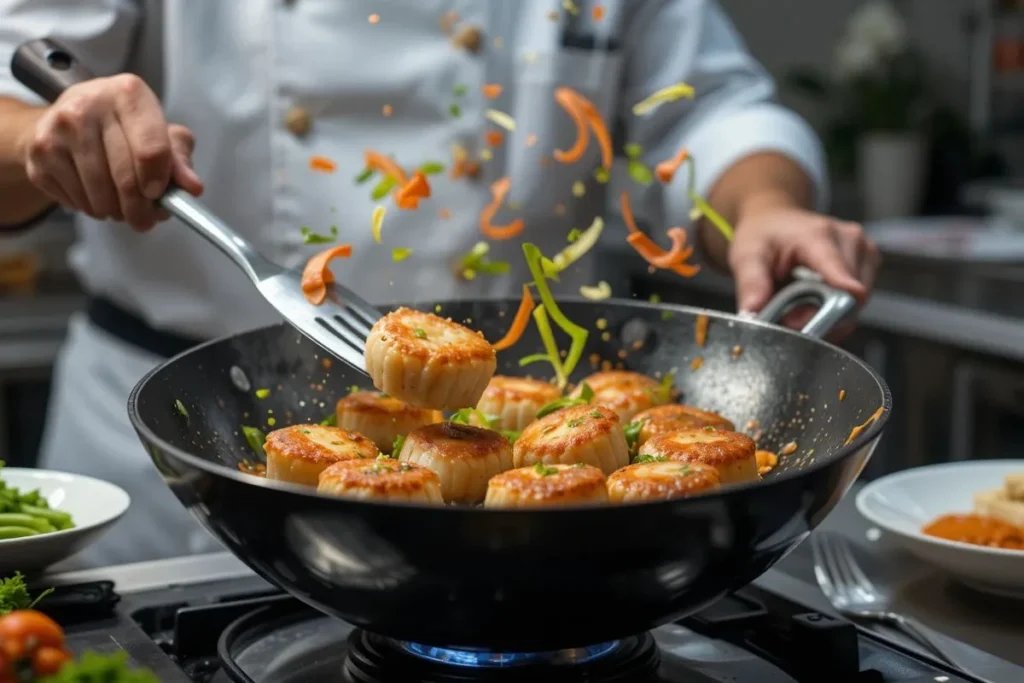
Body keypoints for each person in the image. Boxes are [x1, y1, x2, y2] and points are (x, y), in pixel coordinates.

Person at [0, 0, 879, 566]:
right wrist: (50, 140)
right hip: (186, 469)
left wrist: (766, 207)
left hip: (546, 533)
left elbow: (713, 108)